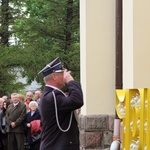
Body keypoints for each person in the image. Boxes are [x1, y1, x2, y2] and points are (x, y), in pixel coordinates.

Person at [38, 57, 84, 150]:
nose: (65, 75)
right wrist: (71, 81)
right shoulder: (52, 96)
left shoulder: (51, 95)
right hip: (57, 146)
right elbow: (77, 101)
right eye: (62, 73)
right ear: (54, 76)